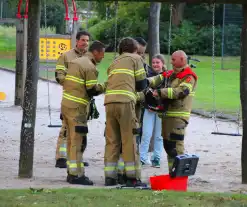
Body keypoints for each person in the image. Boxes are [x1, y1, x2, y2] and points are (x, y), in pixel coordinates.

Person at [104, 37, 147, 187]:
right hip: (126, 102)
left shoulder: (114, 62)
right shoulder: (136, 58)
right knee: (129, 139)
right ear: (135, 49)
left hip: (109, 102)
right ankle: (132, 178)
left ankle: (110, 177)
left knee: (112, 140)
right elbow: (142, 84)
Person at [61, 41, 106, 185]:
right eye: (102, 53)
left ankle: (71, 171)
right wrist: (105, 86)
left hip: (66, 105)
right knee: (79, 141)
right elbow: (92, 89)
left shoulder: (76, 61)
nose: (103, 57)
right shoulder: (90, 66)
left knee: (70, 140)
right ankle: (76, 175)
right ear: (96, 52)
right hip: (78, 108)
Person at [150, 50, 198, 172]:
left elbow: (181, 92)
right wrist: (143, 82)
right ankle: (173, 173)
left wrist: (161, 92)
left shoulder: (189, 77)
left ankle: (180, 176)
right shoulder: (170, 74)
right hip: (168, 117)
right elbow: (155, 80)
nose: (171, 62)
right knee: (169, 147)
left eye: (173, 59)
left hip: (178, 118)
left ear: (182, 59)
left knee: (176, 148)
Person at [55, 31, 91, 169]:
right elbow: (59, 76)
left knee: (81, 129)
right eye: (83, 40)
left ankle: (77, 157)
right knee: (66, 128)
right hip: (70, 98)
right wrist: (73, 86)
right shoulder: (66, 56)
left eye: (87, 40)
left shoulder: (89, 57)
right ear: (77, 41)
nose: (85, 43)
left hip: (84, 100)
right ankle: (61, 157)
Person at [139, 54, 167, 168]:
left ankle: (156, 158)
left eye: (158, 62)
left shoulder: (166, 76)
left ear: (162, 64)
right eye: (154, 62)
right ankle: (143, 158)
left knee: (159, 136)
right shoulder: (148, 76)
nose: (155, 64)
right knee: (146, 134)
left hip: (161, 110)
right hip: (149, 108)